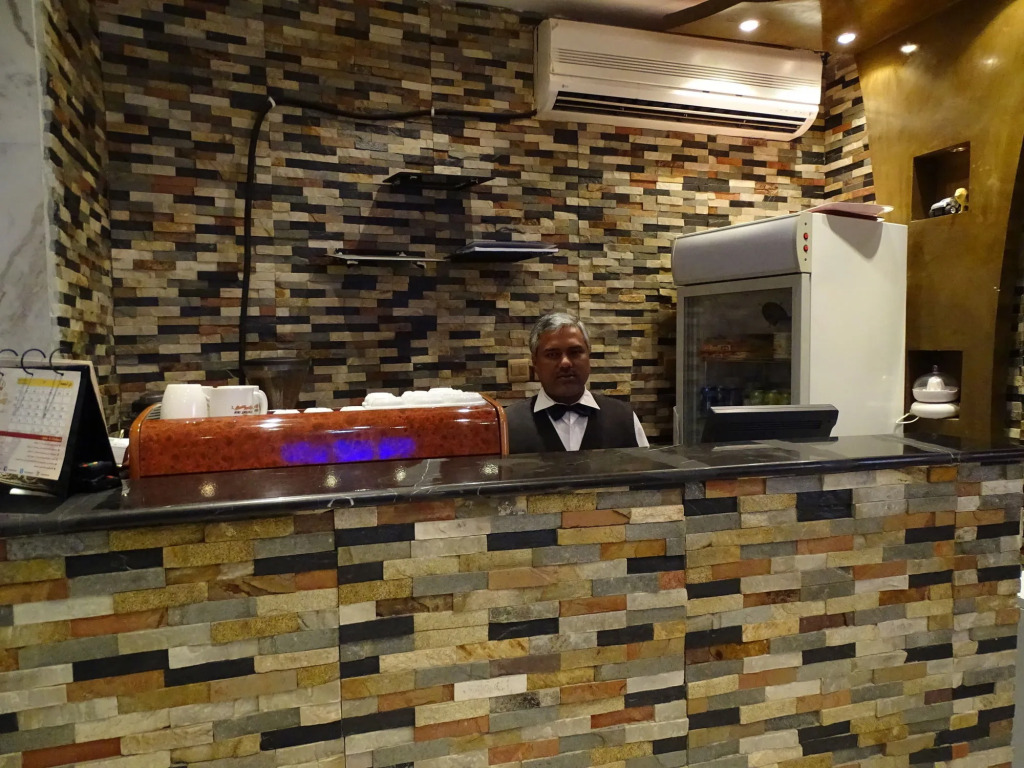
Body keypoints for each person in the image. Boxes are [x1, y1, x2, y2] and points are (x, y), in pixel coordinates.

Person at [505, 312, 649, 454]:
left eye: (575, 352)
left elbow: (643, 468)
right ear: (535, 362)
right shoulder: (506, 424)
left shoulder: (624, 418)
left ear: (588, 356)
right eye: (552, 354)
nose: (565, 363)